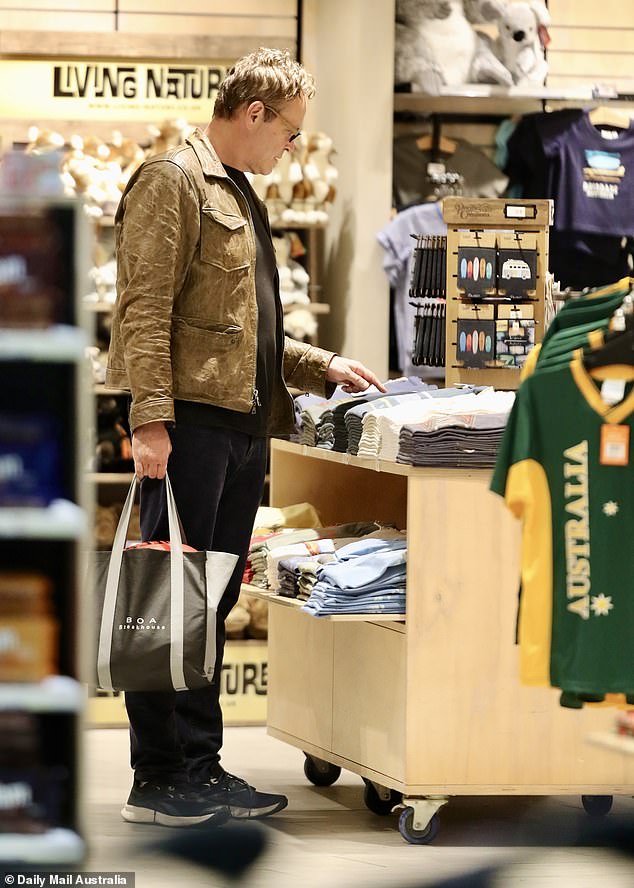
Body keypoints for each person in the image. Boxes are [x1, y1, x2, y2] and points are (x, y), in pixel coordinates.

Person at [106, 47, 386, 829]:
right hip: (190, 427)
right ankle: (160, 781)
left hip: (239, 425)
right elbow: (143, 310)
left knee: (208, 602)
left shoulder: (238, 192)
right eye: (290, 134)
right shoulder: (173, 180)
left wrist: (320, 364)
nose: (290, 149)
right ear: (254, 114)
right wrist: (149, 418)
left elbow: (246, 329)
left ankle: (197, 766)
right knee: (170, 603)